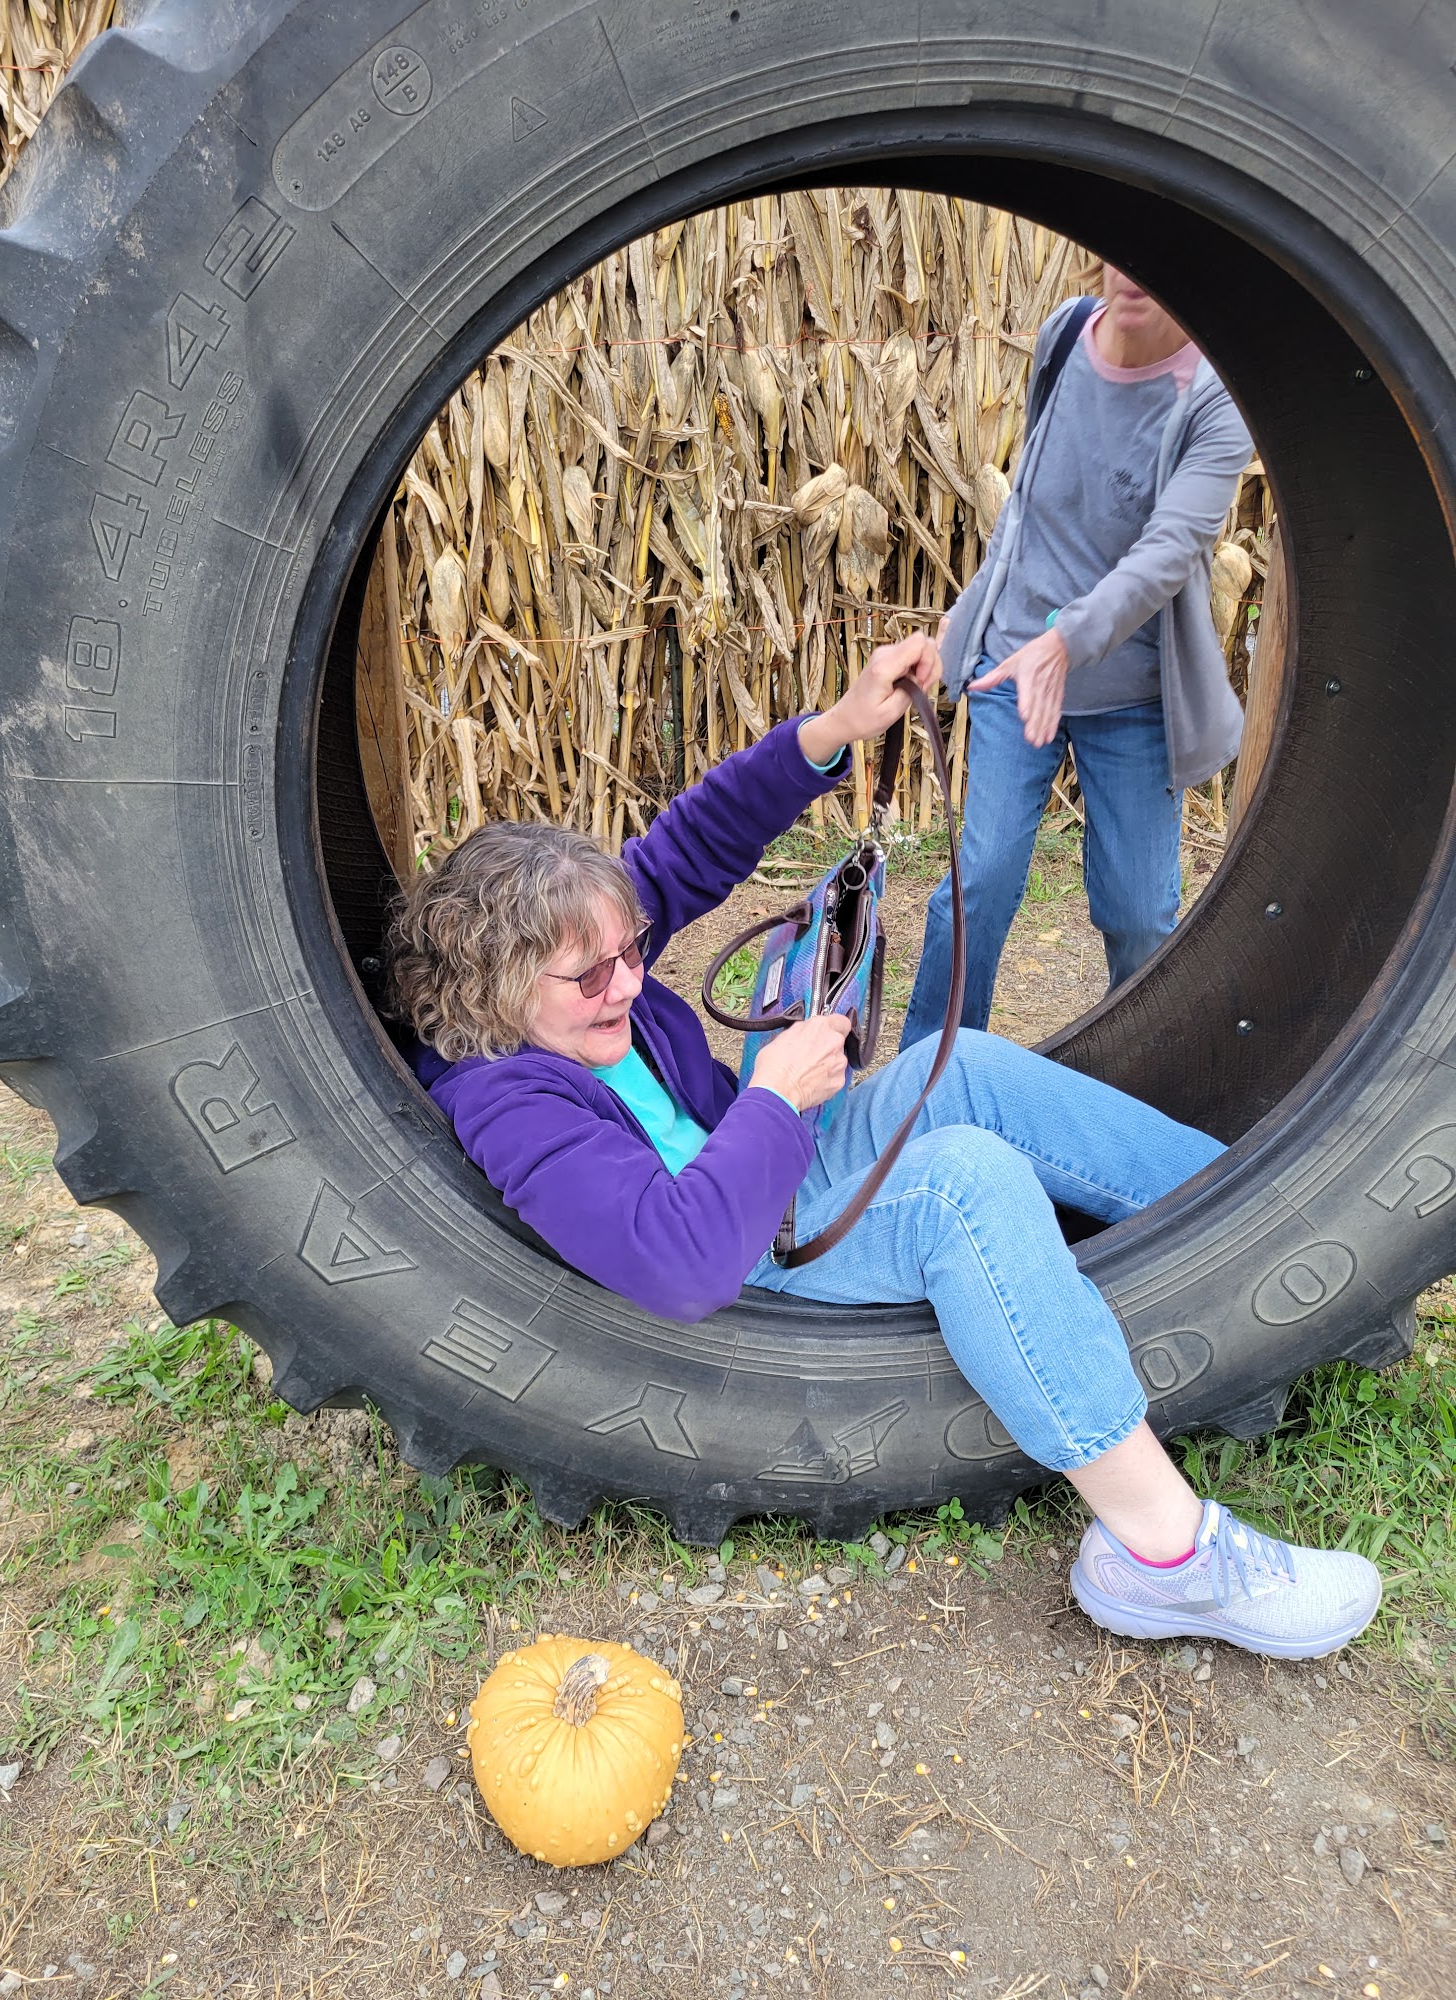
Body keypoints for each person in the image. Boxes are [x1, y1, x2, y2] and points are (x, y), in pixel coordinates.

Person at [391, 635, 1379, 1660]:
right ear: (495, 985)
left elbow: (692, 842)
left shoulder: (571, 983)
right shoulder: (505, 1099)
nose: (628, 984)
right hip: (750, 1240)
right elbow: (680, 1260)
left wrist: (841, 724)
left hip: (759, 1158)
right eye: (589, 977)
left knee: (970, 1069)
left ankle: (1251, 1216)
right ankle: (1166, 1556)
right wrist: (772, 1097)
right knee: (962, 1185)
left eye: (632, 951)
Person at [900, 264, 1255, 1048]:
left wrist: (1067, 639)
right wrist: (954, 640)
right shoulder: (1063, 334)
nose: (1135, 273)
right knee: (981, 882)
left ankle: (1137, 1078)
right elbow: (1025, 516)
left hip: (1131, 695)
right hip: (1011, 667)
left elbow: (1169, 554)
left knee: (1139, 914)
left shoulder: (1216, 400)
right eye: (1119, 249)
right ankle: (928, 1079)